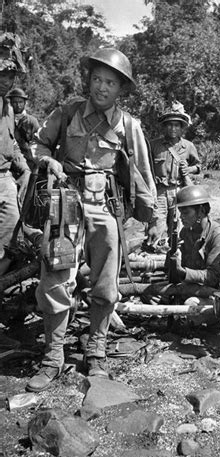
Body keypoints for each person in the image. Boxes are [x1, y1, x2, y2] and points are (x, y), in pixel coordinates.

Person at [26, 48, 159, 392]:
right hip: (66, 205)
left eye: (110, 82)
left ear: (121, 89)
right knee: (55, 277)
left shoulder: (129, 125)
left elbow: (143, 174)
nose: (102, 87)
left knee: (104, 283)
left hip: (106, 208)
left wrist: (152, 216)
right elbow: (38, 145)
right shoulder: (67, 112)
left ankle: (95, 353)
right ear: (88, 81)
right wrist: (47, 162)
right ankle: (53, 358)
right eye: (97, 79)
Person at [155, 184, 220, 330]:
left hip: (212, 295)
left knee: (190, 306)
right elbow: (172, 270)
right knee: (151, 294)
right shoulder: (186, 232)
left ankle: (215, 325)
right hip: (187, 288)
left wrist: (184, 272)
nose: (182, 217)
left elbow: (214, 277)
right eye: (180, 213)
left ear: (201, 211)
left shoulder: (218, 236)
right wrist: (171, 254)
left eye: (186, 213)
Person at [147, 101, 201, 253]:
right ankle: (155, 257)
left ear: (182, 128)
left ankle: (175, 256)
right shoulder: (153, 145)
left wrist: (188, 169)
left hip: (179, 191)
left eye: (177, 125)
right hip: (159, 192)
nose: (173, 128)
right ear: (164, 127)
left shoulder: (188, 146)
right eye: (169, 125)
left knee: (178, 225)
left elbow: (198, 167)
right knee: (157, 224)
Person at [0, 33, 31, 276]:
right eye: (3, 75)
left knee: (12, 229)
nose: (6, 81)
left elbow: (13, 143)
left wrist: (22, 161)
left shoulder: (8, 108)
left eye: (10, 76)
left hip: (4, 177)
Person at [6, 87, 40, 167]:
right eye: (15, 102)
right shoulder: (5, 120)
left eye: (20, 102)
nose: (18, 105)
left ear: (25, 103)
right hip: (8, 160)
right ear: (10, 103)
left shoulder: (32, 121)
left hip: (28, 161)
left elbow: (39, 144)